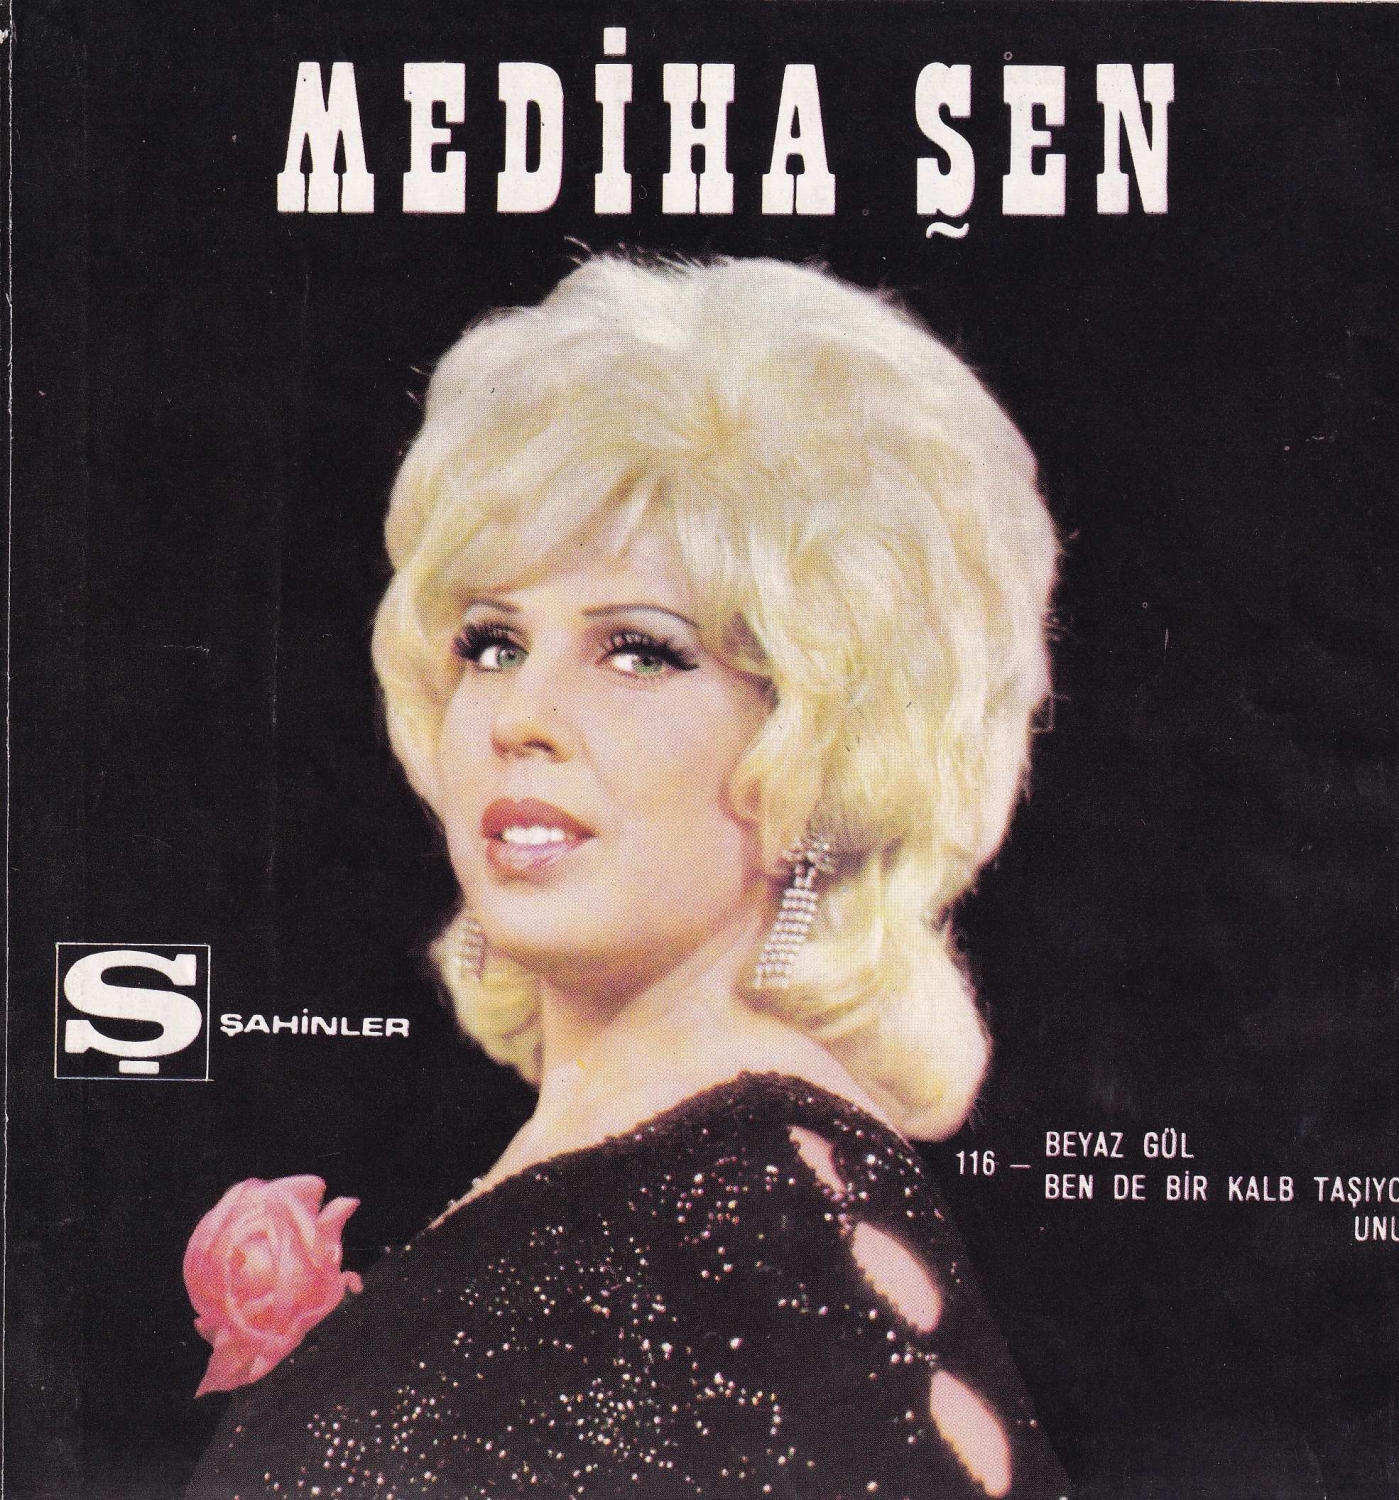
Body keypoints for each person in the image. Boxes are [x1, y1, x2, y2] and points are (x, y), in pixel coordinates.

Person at [186, 256, 1068, 1499]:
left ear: (820, 744)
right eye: (492, 642)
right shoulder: (615, 1171)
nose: (519, 715)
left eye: (640, 653)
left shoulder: (765, 1212)